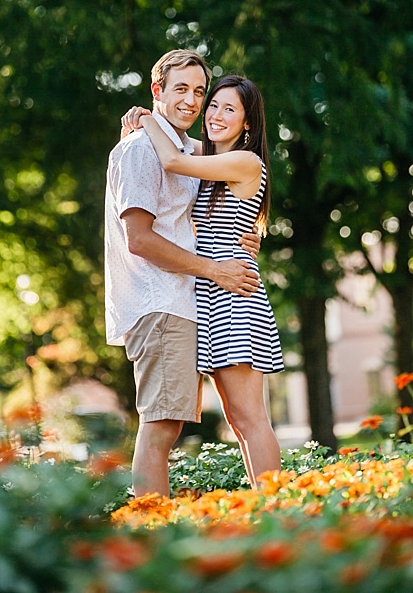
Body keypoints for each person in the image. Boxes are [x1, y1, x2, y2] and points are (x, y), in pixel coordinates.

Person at [104, 49, 261, 499]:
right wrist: (216, 269)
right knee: (160, 428)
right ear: (157, 91)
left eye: (200, 92)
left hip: (183, 302)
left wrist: (250, 238)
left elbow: (228, 186)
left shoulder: (177, 146)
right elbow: (140, 239)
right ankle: (152, 538)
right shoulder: (141, 151)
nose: (193, 101)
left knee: (167, 426)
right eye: (181, 90)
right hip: (159, 302)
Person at [132, 74, 284, 486]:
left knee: (250, 418)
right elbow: (180, 147)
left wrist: (147, 119)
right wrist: (146, 119)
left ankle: (283, 512)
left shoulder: (245, 161)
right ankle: (270, 512)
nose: (214, 114)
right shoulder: (212, 158)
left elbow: (173, 160)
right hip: (209, 295)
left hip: (233, 295)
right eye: (212, 104)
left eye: (229, 109)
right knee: (237, 421)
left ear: (247, 123)